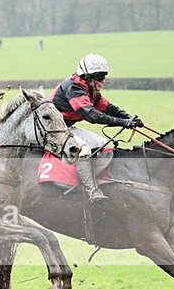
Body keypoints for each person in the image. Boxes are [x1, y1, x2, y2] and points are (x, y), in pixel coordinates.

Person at [49, 53, 143, 203]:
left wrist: (130, 118)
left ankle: (85, 176)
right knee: (84, 149)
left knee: (102, 144)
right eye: (99, 76)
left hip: (64, 127)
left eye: (104, 76)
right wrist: (122, 122)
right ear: (87, 76)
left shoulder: (91, 91)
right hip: (51, 130)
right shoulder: (73, 87)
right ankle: (92, 191)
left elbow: (109, 108)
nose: (103, 80)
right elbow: (91, 115)